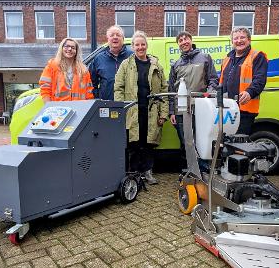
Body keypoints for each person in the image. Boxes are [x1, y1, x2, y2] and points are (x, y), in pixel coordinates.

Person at [114, 31, 168, 185]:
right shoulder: (126, 64)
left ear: (146, 45)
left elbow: (164, 90)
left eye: (142, 44)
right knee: (134, 143)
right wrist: (121, 110)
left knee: (149, 143)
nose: (140, 47)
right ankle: (134, 173)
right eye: (137, 44)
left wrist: (163, 113)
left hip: (151, 111)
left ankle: (148, 172)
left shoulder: (156, 65)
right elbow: (118, 88)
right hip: (132, 111)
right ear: (132, 47)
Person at [168, 31, 218, 162]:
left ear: (191, 40)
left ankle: (203, 170)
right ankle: (188, 170)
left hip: (200, 108)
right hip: (181, 109)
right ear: (178, 44)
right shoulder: (176, 64)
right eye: (180, 40)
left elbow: (213, 80)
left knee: (201, 139)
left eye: (186, 39)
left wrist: (209, 94)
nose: (184, 42)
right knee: (185, 141)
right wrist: (172, 111)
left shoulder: (205, 58)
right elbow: (172, 89)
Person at [219, 27, 268, 135]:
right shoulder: (227, 59)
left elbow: (259, 79)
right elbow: (221, 83)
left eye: (242, 37)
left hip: (245, 109)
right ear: (232, 42)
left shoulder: (257, 56)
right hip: (228, 108)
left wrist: (249, 92)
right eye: (236, 38)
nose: (239, 40)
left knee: (239, 142)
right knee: (226, 141)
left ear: (249, 40)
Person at [39, 38, 94, 102]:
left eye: (73, 48)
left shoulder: (83, 70)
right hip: (58, 108)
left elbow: (89, 92)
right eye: (67, 46)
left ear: (76, 51)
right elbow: (45, 89)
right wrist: (48, 106)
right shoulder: (52, 66)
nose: (70, 49)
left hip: (79, 108)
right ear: (61, 48)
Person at [89, 25, 132, 100]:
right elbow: (92, 82)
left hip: (129, 102)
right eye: (112, 35)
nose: (115, 37)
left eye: (118, 35)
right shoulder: (99, 58)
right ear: (108, 39)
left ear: (123, 39)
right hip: (106, 103)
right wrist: (97, 97)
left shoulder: (132, 57)